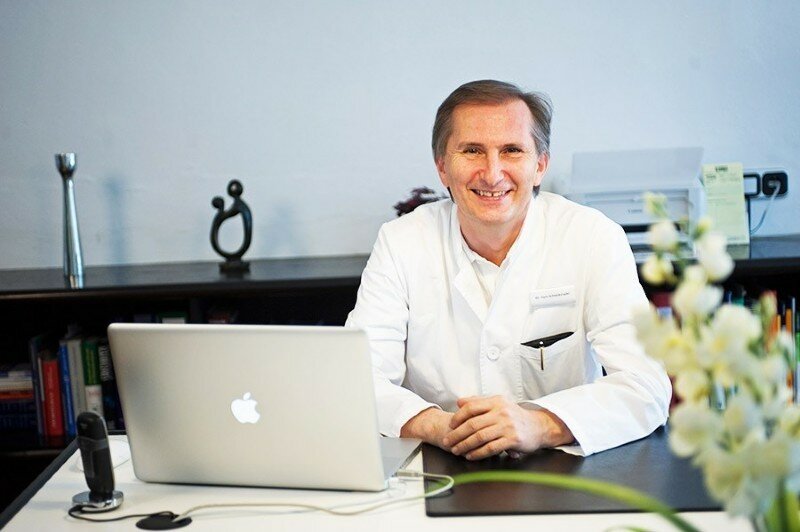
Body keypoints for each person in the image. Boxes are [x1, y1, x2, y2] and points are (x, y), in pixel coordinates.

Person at [346, 80, 671, 459]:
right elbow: (356, 381)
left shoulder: (593, 237)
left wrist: (540, 425)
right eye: (472, 151)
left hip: (562, 466)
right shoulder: (401, 242)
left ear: (540, 166)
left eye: (512, 150)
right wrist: (440, 426)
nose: (492, 173)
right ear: (442, 168)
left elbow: (646, 385)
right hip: (438, 464)